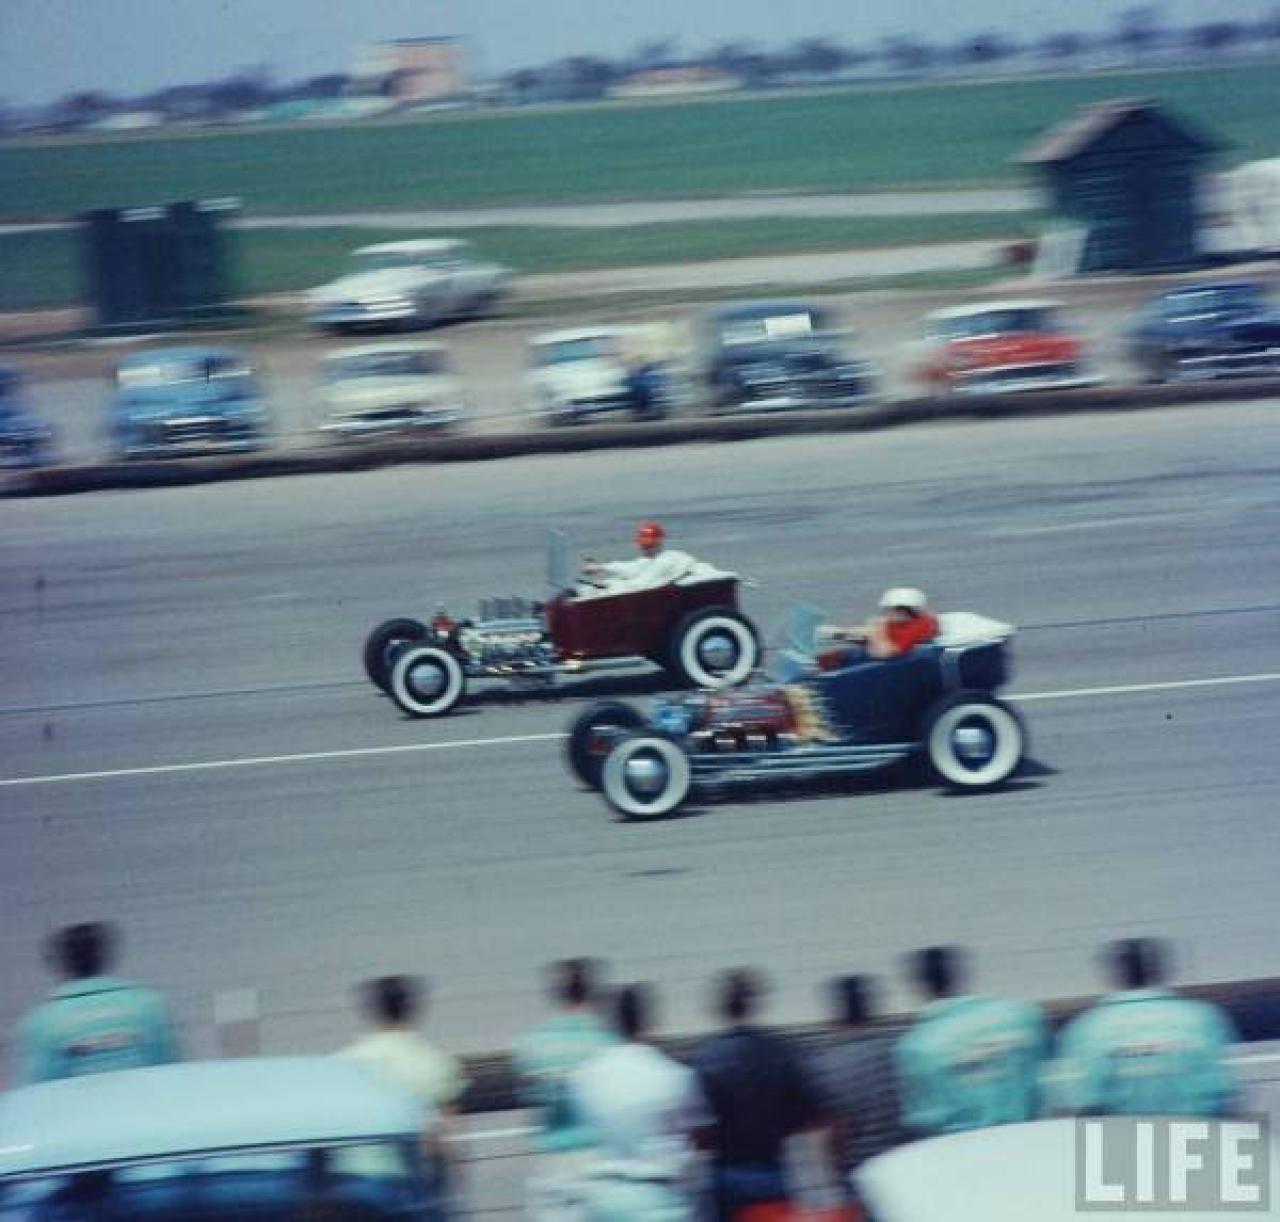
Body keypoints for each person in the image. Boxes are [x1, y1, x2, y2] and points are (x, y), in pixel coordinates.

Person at [692, 969, 829, 1221]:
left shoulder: (705, 1057)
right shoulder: (781, 1050)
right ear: (754, 1003)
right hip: (772, 1170)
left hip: (726, 1173)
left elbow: (700, 1130)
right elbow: (809, 1116)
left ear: (721, 1007)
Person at [1046, 938, 1238, 1117]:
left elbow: (1085, 1101)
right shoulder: (1201, 1017)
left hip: (1123, 1138)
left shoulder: (1088, 1027)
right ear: (1161, 971)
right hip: (1196, 1135)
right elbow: (1223, 1089)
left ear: (1115, 975)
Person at [571, 984, 711, 1221]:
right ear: (649, 1022)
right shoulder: (674, 1075)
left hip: (603, 1199)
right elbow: (699, 1137)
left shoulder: (584, 1076)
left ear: (611, 1025)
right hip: (660, 1199)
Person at [895, 946, 1048, 1135]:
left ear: (920, 986)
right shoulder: (1020, 1015)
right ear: (960, 975)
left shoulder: (918, 1046)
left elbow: (926, 1120)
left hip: (967, 1147)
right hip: (1034, 1137)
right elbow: (1051, 1079)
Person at [340, 976, 467, 1194]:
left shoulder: (345, 1062)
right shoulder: (437, 1063)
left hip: (352, 1181)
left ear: (373, 1010)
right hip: (408, 1183)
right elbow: (440, 1137)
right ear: (413, 1009)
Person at [514, 959, 617, 1218]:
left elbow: (531, 1097)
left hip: (553, 1160)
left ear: (556, 994)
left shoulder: (532, 1045)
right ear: (593, 993)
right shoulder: (609, 1043)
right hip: (600, 1156)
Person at [16, 921, 179, 1084]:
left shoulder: (43, 1022)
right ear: (105, 956)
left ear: (61, 962)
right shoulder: (147, 1006)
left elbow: (36, 1087)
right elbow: (172, 1072)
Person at [809, 976, 903, 1209]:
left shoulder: (825, 1065)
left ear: (837, 1015)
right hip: (904, 1164)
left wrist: (834, 1173)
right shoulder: (899, 1051)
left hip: (859, 1175)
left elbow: (833, 1133)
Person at [824, 588, 940, 665]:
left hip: (889, 664)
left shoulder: (917, 627)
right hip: (869, 656)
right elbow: (869, 633)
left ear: (907, 611)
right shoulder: (899, 623)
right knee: (836, 656)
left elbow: (884, 654)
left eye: (892, 610)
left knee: (848, 657)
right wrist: (840, 633)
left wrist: (877, 630)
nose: (887, 613)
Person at [579, 522, 698, 595]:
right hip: (643, 592)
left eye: (650, 545)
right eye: (644, 545)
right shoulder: (646, 561)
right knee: (587, 589)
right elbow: (629, 567)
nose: (646, 548)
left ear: (659, 542)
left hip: (652, 597)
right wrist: (601, 567)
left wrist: (610, 586)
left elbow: (642, 585)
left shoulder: (667, 559)